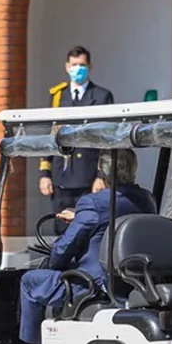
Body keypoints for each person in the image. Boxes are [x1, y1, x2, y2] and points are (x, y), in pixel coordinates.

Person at [14, 149, 157, 344]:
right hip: (132, 280)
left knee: (30, 281)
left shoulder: (94, 203)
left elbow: (65, 248)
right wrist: (78, 215)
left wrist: (53, 262)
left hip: (92, 284)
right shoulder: (146, 199)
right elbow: (107, 219)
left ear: (102, 171)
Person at [39, 45, 115, 235]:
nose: (77, 69)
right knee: (61, 229)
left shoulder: (101, 96)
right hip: (61, 175)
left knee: (87, 227)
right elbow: (50, 135)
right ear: (67, 66)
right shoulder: (58, 96)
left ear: (89, 66)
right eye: (74, 65)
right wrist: (44, 174)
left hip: (88, 176)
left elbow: (107, 139)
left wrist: (101, 176)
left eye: (81, 65)